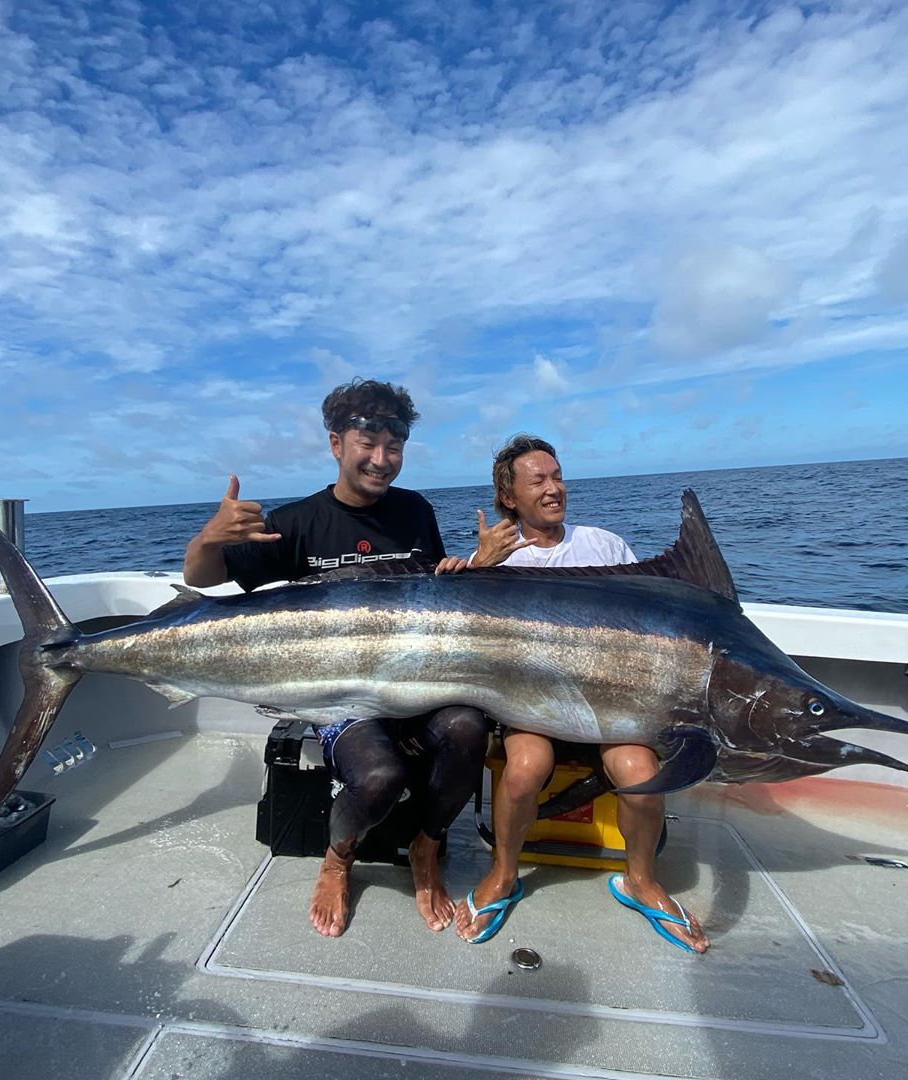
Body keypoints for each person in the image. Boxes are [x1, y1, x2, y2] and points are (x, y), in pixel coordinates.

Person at [183, 378, 487, 939]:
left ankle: (427, 844)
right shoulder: (298, 521)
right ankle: (338, 857)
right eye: (367, 444)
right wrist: (209, 537)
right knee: (378, 776)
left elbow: (436, 596)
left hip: (418, 685)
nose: (381, 459)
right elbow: (201, 579)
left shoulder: (416, 510)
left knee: (469, 729)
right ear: (335, 444)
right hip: (341, 696)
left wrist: (473, 569)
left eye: (393, 447)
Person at [456, 434, 709, 953]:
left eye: (557, 476)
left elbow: (649, 619)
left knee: (640, 773)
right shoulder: (496, 557)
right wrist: (480, 568)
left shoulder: (606, 545)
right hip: (533, 704)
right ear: (510, 498)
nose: (554, 490)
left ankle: (641, 881)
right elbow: (461, 629)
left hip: (613, 704)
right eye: (538, 481)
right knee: (525, 768)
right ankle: (504, 874)